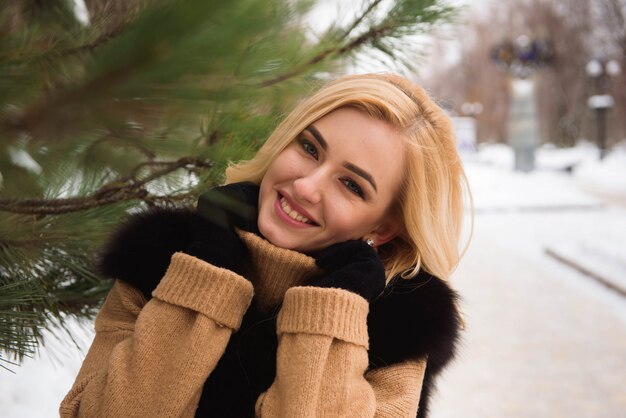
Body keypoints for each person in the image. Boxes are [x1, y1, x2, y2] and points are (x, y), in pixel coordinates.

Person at [60, 73, 471, 417]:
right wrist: (204, 277)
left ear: (384, 228)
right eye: (309, 148)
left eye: (351, 184)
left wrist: (329, 317)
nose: (306, 186)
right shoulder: (160, 259)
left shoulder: (400, 327)